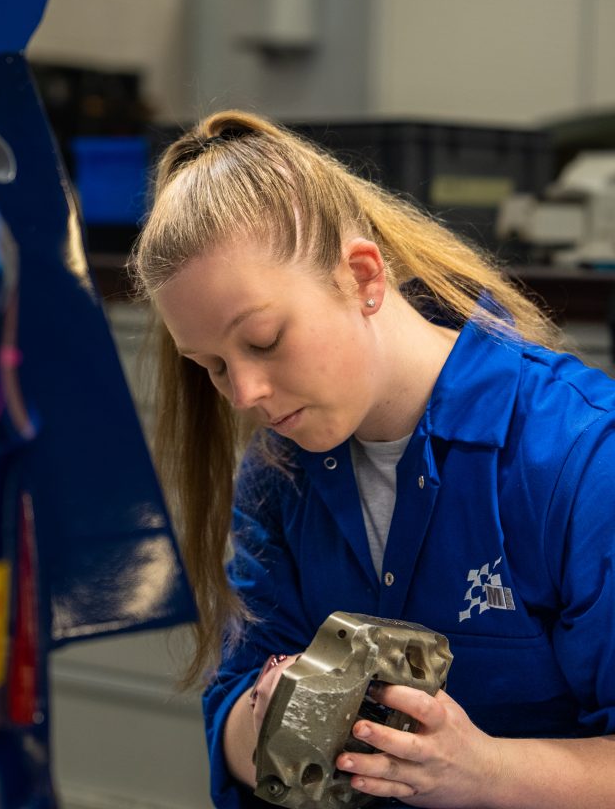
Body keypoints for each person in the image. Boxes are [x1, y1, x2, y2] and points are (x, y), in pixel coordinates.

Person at [129, 110, 615, 809]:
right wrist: (268, 716)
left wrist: (484, 771)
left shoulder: (580, 457)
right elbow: (230, 711)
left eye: (263, 340)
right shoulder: (278, 474)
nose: (245, 394)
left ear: (362, 277)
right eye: (213, 366)